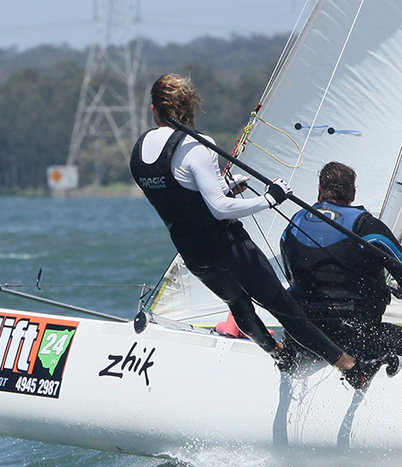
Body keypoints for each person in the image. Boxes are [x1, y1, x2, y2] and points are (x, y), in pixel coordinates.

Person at [130, 74, 379, 388]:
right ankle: (351, 368)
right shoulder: (196, 146)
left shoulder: (138, 153)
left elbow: (183, 196)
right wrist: (268, 199)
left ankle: (277, 353)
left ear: (155, 110)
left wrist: (230, 186)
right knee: (285, 308)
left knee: (238, 304)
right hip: (227, 247)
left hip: (193, 253)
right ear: (191, 108)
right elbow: (219, 207)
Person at [280, 161, 402, 362]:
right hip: (355, 340)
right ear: (353, 193)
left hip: (301, 338)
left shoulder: (294, 223)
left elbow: (291, 277)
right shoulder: (367, 227)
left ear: (320, 190)